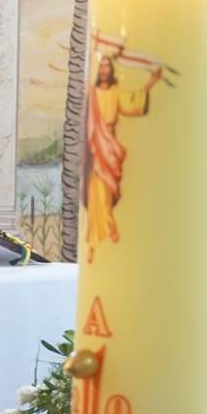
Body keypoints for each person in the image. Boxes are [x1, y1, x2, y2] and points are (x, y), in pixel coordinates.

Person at [82, 56, 162, 263]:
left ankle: (109, 240)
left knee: (107, 195)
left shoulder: (116, 92)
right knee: (97, 196)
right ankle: (96, 242)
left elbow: (133, 102)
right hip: (96, 148)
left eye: (107, 67)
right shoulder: (93, 92)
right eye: (101, 66)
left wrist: (151, 82)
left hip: (109, 146)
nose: (104, 70)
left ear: (111, 71)